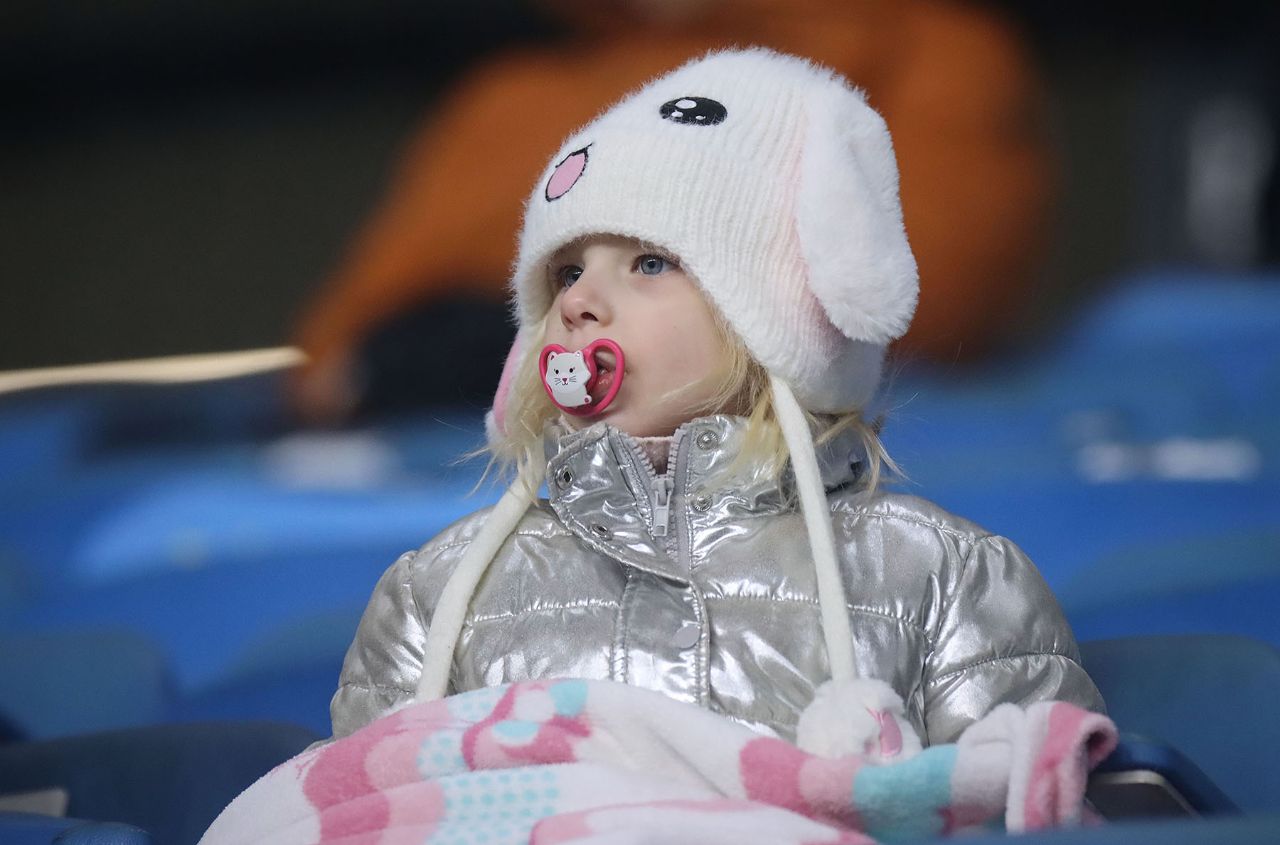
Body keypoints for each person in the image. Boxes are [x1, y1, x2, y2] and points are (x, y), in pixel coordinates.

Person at [326, 48, 1102, 751]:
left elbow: (1031, 806)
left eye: (650, 263)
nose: (579, 301)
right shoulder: (440, 593)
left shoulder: (944, 577)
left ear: (777, 317)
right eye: (566, 272)